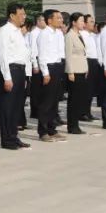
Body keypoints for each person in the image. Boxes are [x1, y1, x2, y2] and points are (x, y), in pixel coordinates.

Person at [0, 2, 31, 150]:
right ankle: (7, 139)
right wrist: (7, 77)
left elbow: (23, 54)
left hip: (20, 70)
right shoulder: (4, 31)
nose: (24, 17)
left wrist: (26, 75)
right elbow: (3, 55)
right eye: (21, 14)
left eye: (24, 14)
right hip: (10, 70)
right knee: (8, 107)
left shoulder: (18, 32)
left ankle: (14, 136)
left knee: (17, 106)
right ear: (12, 15)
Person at [35, 9, 66, 142]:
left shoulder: (58, 33)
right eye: (58, 18)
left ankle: (52, 129)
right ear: (49, 20)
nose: (61, 20)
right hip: (48, 68)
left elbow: (61, 52)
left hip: (58, 66)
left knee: (54, 101)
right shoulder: (44, 34)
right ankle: (43, 131)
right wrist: (45, 73)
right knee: (46, 102)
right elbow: (41, 55)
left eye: (61, 18)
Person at [64, 13, 89, 136]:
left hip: (81, 70)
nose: (83, 23)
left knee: (79, 99)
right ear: (74, 22)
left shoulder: (79, 35)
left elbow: (82, 54)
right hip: (74, 71)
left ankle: (76, 124)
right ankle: (72, 126)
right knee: (73, 100)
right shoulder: (69, 35)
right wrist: (70, 71)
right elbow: (68, 55)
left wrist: (86, 68)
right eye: (81, 21)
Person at [82, 18, 102, 120]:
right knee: (86, 90)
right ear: (85, 24)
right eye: (90, 22)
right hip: (87, 62)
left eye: (93, 22)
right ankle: (82, 113)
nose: (93, 24)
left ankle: (88, 112)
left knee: (91, 90)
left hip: (94, 62)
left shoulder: (93, 35)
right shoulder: (82, 35)